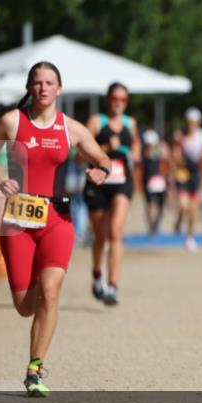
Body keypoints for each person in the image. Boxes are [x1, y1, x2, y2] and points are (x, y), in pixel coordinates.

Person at [0, 61, 111, 397]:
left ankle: (35, 370)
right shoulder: (11, 122)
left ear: (59, 89)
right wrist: (0, 179)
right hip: (19, 220)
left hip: (57, 219)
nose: (43, 88)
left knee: (51, 293)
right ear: (29, 87)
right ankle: (35, 287)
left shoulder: (72, 129)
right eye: (37, 82)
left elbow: (103, 158)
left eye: (49, 82)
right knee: (25, 306)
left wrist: (102, 171)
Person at [83, 83, 139, 306]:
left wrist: (133, 153)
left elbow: (136, 147)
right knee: (100, 236)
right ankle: (97, 274)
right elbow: (80, 155)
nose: (119, 103)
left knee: (115, 232)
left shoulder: (130, 123)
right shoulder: (96, 122)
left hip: (122, 182)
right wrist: (105, 147)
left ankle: (113, 286)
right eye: (115, 98)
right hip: (98, 183)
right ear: (108, 99)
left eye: (123, 99)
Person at [173, 107, 202, 251]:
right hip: (183, 173)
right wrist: (180, 159)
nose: (191, 125)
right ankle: (179, 219)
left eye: (194, 122)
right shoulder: (180, 136)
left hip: (196, 174)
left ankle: (190, 237)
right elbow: (175, 156)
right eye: (189, 122)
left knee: (194, 209)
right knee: (184, 205)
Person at [140, 129, 169, 237]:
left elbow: (167, 158)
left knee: (162, 207)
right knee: (149, 205)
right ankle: (151, 227)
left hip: (160, 180)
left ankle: (156, 224)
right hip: (148, 180)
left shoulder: (161, 150)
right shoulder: (144, 152)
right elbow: (145, 155)